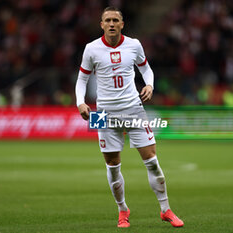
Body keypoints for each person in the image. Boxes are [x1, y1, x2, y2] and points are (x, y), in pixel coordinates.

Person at [75, 6, 184, 228]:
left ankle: (165, 210)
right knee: (113, 166)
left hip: (133, 108)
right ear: (102, 24)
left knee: (152, 161)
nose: (112, 23)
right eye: (108, 20)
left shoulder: (133, 44)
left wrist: (150, 85)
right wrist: (80, 102)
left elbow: (146, 69)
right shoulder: (91, 49)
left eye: (116, 20)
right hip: (104, 113)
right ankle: (122, 210)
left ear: (122, 24)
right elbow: (81, 80)